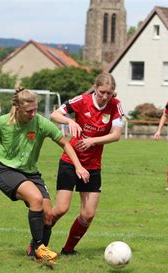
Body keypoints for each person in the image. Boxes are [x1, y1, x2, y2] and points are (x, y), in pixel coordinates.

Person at [0, 88, 89, 262]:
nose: (33, 114)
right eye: (29, 111)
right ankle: (39, 247)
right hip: (6, 171)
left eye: (35, 110)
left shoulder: (41, 123)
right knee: (36, 199)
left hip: (31, 173)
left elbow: (64, 143)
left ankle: (35, 252)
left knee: (48, 216)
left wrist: (78, 166)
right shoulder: (3, 123)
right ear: (17, 108)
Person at [50, 73, 125, 255]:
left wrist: (93, 141)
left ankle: (68, 250)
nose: (105, 96)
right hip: (70, 161)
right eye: (102, 92)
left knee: (88, 214)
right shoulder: (82, 101)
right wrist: (69, 120)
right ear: (95, 87)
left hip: (92, 166)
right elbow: (54, 114)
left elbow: (116, 135)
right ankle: (38, 239)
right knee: (61, 209)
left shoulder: (116, 105)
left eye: (109, 93)